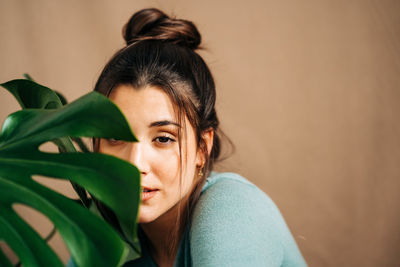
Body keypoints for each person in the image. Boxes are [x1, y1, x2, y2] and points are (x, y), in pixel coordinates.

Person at [69, 8, 307, 267]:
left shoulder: (231, 211)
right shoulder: (105, 228)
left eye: (163, 139)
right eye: (115, 137)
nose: (134, 165)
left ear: (202, 148)